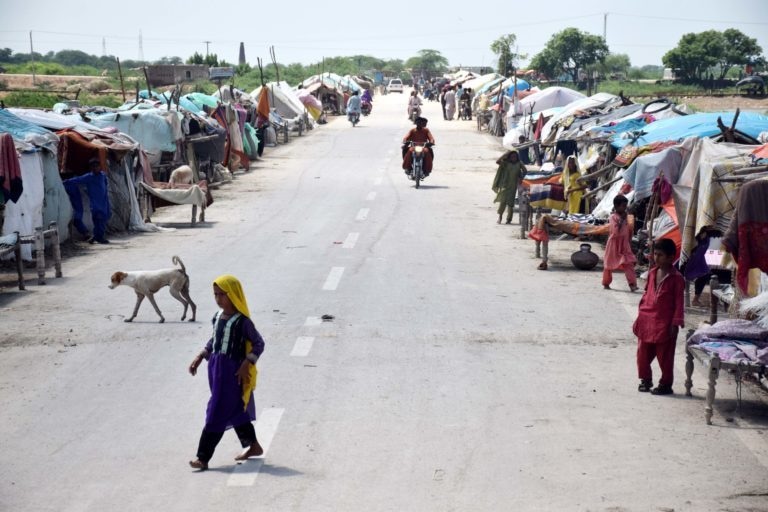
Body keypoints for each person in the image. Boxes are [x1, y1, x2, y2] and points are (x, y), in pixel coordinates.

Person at [188, 275, 266, 470]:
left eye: (222, 294)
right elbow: (214, 340)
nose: (218, 298)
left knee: (215, 411)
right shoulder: (216, 317)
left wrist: (246, 364)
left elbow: (259, 343)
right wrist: (200, 356)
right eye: (215, 294)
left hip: (233, 372)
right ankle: (253, 446)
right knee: (235, 409)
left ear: (233, 295)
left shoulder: (243, 322)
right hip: (215, 369)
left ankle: (203, 457)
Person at [633, 238, 684, 395]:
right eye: (655, 254)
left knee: (665, 356)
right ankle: (645, 379)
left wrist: (675, 324)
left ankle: (666, 384)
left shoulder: (677, 278)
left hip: (665, 323)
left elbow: (679, 303)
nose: (656, 258)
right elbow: (647, 294)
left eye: (660, 255)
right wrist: (640, 315)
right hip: (646, 319)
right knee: (642, 353)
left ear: (670, 257)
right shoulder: (652, 273)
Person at [63, 157, 111, 244]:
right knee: (97, 221)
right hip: (95, 205)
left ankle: (96, 237)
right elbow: (77, 180)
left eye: (96, 166)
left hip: (104, 202)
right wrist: (65, 182)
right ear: (90, 168)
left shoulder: (103, 176)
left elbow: (106, 187)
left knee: (103, 220)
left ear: (100, 166)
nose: (95, 168)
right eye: (93, 166)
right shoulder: (89, 177)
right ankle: (98, 237)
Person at [602, 194, 638, 291]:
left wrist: (629, 241)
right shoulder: (613, 217)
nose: (625, 209)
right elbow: (615, 232)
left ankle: (632, 284)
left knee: (629, 263)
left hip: (624, 245)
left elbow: (628, 231)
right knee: (608, 265)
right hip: (614, 244)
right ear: (616, 206)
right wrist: (622, 219)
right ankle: (606, 283)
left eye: (626, 206)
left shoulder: (626, 217)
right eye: (623, 206)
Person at [492, 148, 527, 224]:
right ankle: (500, 217)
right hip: (505, 185)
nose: (514, 158)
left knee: (511, 203)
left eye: (515, 156)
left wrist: (521, 177)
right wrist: (505, 154)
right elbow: (497, 161)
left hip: (513, 186)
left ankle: (509, 219)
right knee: (502, 201)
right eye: (512, 156)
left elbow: (525, 171)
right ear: (509, 157)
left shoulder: (519, 163)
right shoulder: (506, 163)